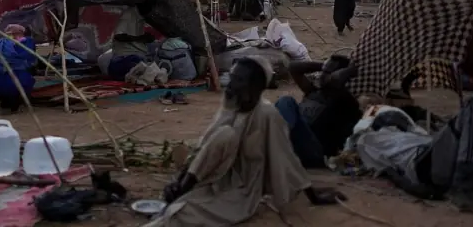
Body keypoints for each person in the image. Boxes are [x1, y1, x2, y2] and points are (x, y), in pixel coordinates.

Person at [147, 57, 345, 226]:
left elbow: (286, 159)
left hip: (243, 190)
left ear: (255, 86)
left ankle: (185, 194)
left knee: (181, 214)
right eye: (232, 78)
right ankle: (184, 189)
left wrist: (314, 196)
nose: (231, 84)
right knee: (223, 135)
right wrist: (180, 181)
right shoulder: (231, 105)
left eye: (239, 80)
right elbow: (205, 147)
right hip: (218, 177)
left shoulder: (267, 115)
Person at [383, 89, 473, 211]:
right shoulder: (377, 135)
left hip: (435, 156)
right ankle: (463, 182)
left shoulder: (412, 128)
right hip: (427, 167)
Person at [275, 55, 361, 168]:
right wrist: (324, 66)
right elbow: (293, 67)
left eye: (327, 74)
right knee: (283, 103)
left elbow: (336, 80)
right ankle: (275, 142)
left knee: (287, 101)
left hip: (315, 153)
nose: (322, 77)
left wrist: (348, 70)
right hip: (296, 143)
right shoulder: (313, 92)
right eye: (323, 73)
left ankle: (276, 143)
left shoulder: (345, 101)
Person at [0, 25, 37, 114]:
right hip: (14, 84)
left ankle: (5, 101)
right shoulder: (26, 42)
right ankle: (14, 106)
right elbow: (31, 58)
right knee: (25, 76)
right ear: (21, 33)